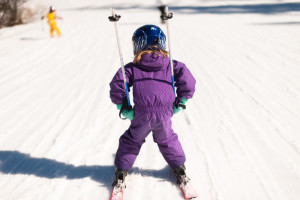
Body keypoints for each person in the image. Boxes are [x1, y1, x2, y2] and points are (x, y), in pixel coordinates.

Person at [109, 25, 196, 186]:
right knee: (168, 140)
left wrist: (123, 107)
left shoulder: (132, 68)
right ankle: (180, 169)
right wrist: (181, 101)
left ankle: (121, 171)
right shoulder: (171, 64)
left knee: (131, 141)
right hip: (165, 113)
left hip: (141, 114)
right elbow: (187, 80)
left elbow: (118, 84)